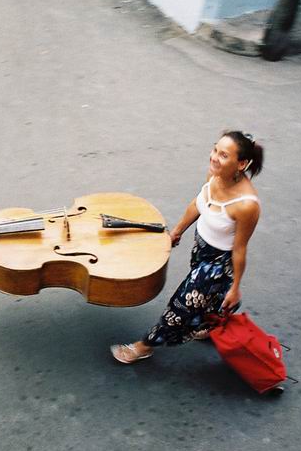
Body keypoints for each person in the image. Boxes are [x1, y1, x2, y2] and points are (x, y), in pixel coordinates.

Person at [110, 131, 264, 364]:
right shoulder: (216, 175)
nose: (214, 158)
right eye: (215, 150)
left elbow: (240, 249)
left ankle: (144, 347)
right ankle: (207, 323)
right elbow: (198, 203)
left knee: (180, 307)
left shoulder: (246, 205)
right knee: (206, 300)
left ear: (241, 164)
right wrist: (178, 231)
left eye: (223, 155)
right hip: (200, 248)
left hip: (217, 265)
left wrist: (236, 286)